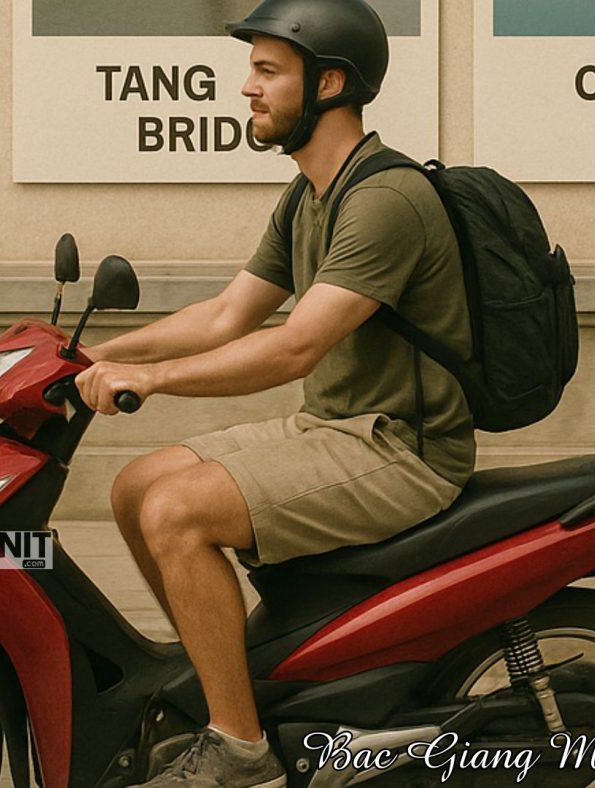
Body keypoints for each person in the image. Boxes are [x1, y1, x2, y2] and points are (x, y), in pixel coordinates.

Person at [74, 0, 475, 783]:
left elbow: (295, 346)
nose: (247, 87)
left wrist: (151, 381)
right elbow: (228, 313)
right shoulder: (311, 193)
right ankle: (223, 686)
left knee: (176, 512)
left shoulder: (384, 201)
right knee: (134, 489)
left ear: (329, 83)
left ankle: (240, 746)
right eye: (251, 70)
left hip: (401, 449)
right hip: (334, 426)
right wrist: (90, 354)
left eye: (267, 70)